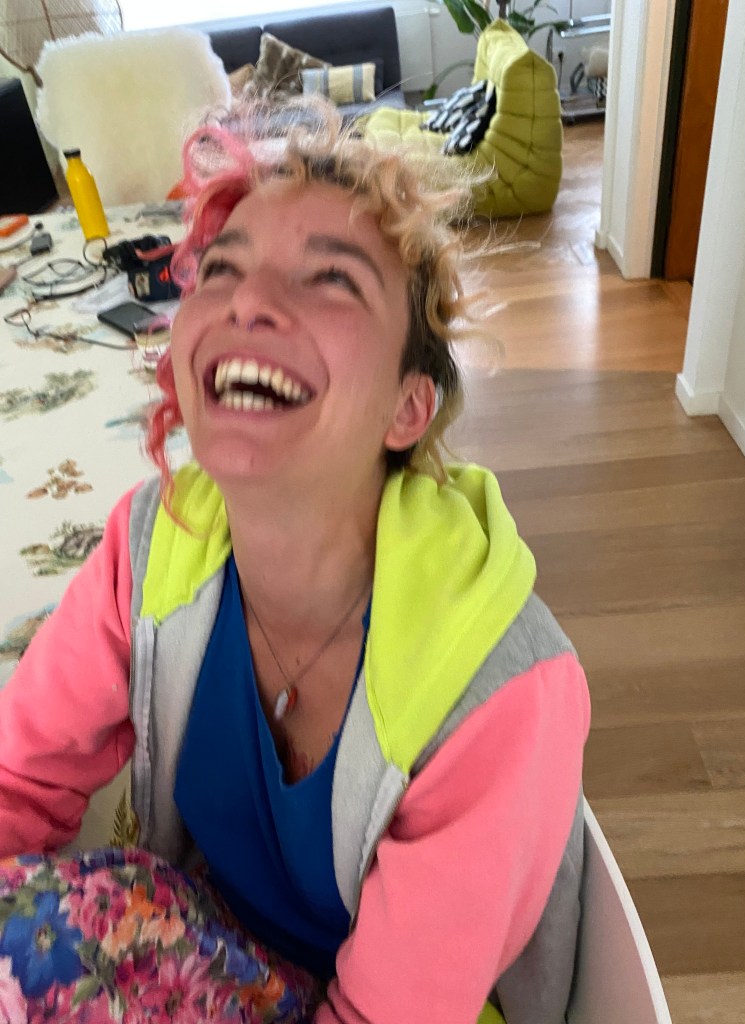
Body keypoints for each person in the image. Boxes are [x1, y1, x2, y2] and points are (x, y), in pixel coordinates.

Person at [0, 97, 590, 1024]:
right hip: (211, 938)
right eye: (221, 269)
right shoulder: (151, 546)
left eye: (331, 280)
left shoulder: (497, 692)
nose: (249, 302)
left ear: (407, 407)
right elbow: (17, 784)